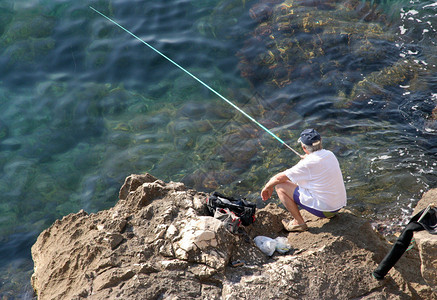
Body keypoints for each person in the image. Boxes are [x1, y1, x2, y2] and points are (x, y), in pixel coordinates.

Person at [261, 128, 347, 232]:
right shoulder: (330, 154)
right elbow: (315, 163)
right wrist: (308, 157)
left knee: (280, 186)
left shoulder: (307, 164)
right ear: (320, 142)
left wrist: (267, 187)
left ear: (303, 147)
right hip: (338, 206)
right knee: (295, 180)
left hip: (326, 210)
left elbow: (279, 178)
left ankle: (299, 223)